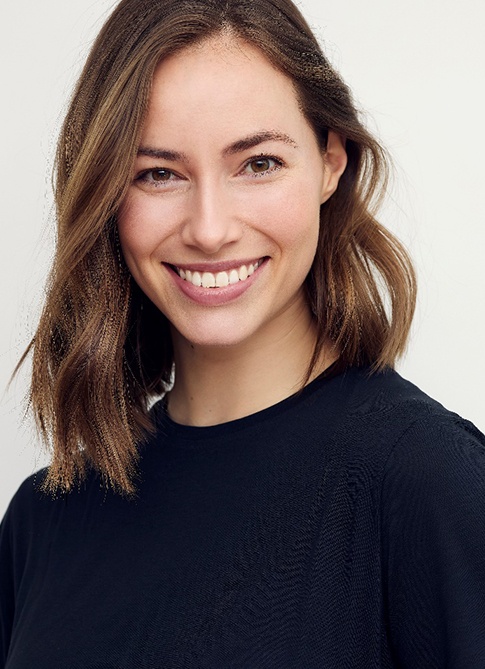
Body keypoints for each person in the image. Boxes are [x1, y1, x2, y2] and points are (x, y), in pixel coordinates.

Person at [1, 0, 484, 666]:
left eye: (257, 163)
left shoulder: (427, 483)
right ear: (106, 194)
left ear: (329, 161)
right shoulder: (42, 520)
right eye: (158, 173)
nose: (208, 228)